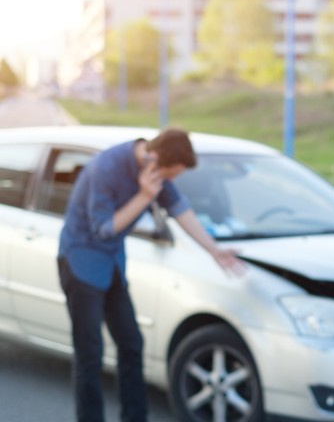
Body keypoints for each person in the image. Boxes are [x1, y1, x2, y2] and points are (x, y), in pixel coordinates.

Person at [57, 128, 244, 422]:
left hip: (112, 264)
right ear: (154, 157)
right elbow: (103, 229)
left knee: (132, 343)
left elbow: (180, 209)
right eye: (171, 175)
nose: (170, 182)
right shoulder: (105, 168)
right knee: (89, 354)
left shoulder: (156, 168)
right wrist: (145, 196)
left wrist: (214, 250)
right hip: (81, 262)